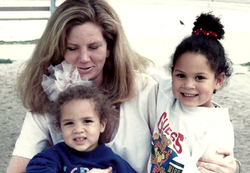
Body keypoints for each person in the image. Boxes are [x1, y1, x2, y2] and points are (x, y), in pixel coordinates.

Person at [6, 0, 236, 173]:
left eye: (94, 46)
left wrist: (229, 164)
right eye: (72, 48)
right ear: (58, 49)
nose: (84, 58)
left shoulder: (146, 89)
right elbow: (18, 167)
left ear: (110, 47)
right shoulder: (47, 99)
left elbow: (196, 106)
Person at [149, 12, 234, 173]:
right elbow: (143, 71)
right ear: (172, 73)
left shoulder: (218, 127)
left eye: (200, 78)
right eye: (181, 75)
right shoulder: (167, 93)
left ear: (218, 80)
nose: (188, 85)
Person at [26, 65, 136, 172]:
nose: (78, 129)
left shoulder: (113, 162)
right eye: (69, 123)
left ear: (102, 124)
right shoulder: (54, 156)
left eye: (87, 121)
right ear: (60, 127)